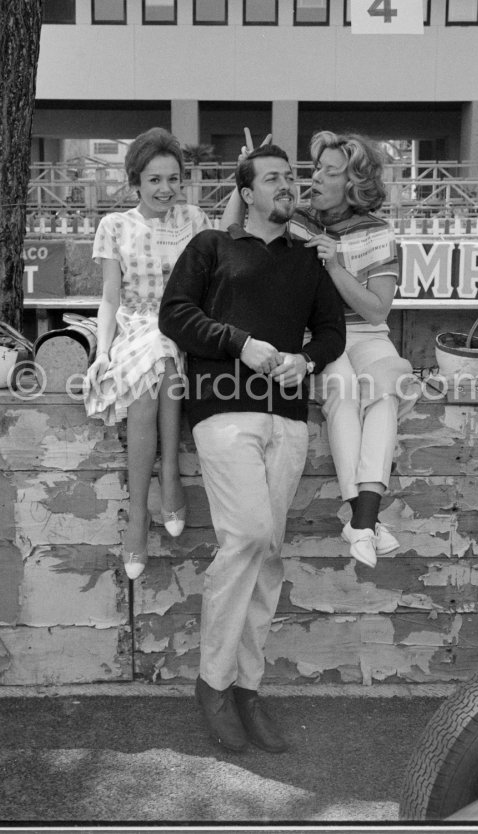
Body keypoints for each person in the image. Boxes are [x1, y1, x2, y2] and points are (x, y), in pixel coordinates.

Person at [159, 144, 346, 753]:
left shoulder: (308, 260)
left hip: (287, 418)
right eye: (273, 178)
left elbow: (333, 332)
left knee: (267, 552)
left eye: (290, 177)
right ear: (246, 192)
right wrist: (240, 343)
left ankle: (248, 690)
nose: (287, 186)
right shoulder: (211, 247)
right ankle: (213, 682)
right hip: (221, 408)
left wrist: (306, 359)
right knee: (246, 538)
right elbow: (174, 315)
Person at [222, 130, 419, 570]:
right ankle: (364, 520)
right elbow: (230, 233)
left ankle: (361, 518)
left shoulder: (378, 233)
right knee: (343, 390)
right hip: (320, 337)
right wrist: (245, 174)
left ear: (352, 183)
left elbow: (375, 310)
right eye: (316, 169)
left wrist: (334, 263)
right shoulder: (298, 219)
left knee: (383, 393)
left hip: (367, 336)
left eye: (329, 172)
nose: (315, 179)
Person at [84, 127, 211, 580]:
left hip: (185, 322)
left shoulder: (195, 220)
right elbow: (110, 298)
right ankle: (160, 488)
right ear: (135, 182)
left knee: (163, 360)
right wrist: (102, 352)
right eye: (154, 180)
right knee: (152, 370)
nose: (166, 189)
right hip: (138, 326)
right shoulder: (114, 226)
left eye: (173, 178)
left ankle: (143, 509)